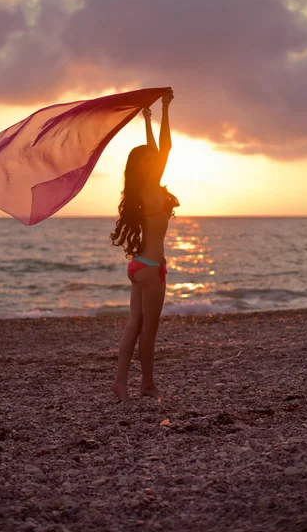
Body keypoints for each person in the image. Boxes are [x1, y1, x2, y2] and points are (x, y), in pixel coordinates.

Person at [109, 87, 179, 402]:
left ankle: (120, 383)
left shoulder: (141, 191)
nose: (157, 161)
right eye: (152, 162)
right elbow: (165, 147)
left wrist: (149, 117)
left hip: (138, 266)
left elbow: (155, 150)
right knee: (148, 332)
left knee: (133, 327)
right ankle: (147, 385)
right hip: (151, 270)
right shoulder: (152, 190)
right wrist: (164, 110)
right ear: (147, 167)